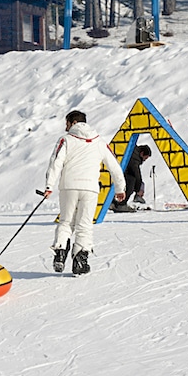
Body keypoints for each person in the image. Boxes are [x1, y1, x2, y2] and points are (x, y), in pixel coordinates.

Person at [44, 110, 126, 276]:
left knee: (66, 222)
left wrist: (49, 186)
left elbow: (56, 162)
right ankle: (80, 261)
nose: (65, 128)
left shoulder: (66, 140)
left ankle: (60, 252)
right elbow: (114, 166)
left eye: (66, 124)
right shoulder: (99, 142)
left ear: (73, 123)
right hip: (90, 189)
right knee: (85, 225)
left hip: (68, 187)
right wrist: (120, 188)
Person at [111, 144, 152, 212]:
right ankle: (121, 204)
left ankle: (114, 203)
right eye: (145, 158)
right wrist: (138, 189)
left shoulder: (132, 150)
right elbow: (136, 174)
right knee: (131, 180)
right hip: (119, 173)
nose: (145, 160)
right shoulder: (134, 159)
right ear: (142, 154)